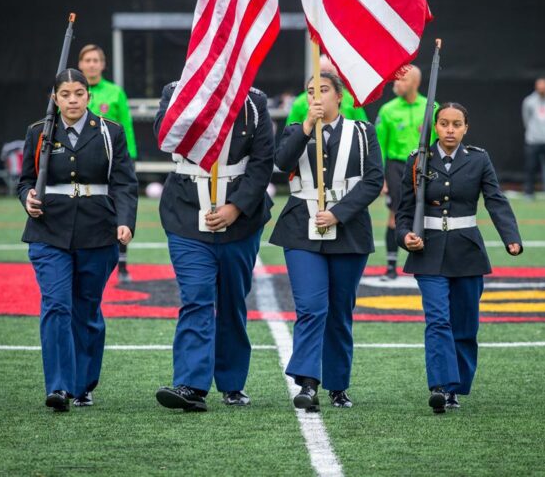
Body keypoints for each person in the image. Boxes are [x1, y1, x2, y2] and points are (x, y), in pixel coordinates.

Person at [18, 68, 138, 412]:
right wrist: (27, 196)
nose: (72, 100)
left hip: (97, 230)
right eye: (65, 94)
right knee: (56, 305)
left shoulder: (109, 132)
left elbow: (125, 183)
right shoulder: (39, 132)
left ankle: (83, 384)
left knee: (86, 310)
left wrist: (125, 221)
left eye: (79, 93)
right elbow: (24, 179)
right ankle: (58, 387)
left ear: (89, 96)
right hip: (48, 231)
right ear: (54, 98)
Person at [154, 82, 274, 413]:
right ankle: (190, 385)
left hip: (241, 219)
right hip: (186, 214)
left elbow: (262, 162)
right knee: (196, 298)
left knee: (232, 299)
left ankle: (232, 383)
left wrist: (235, 208)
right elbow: (164, 136)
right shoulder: (176, 93)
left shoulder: (256, 102)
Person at [395, 102, 522, 415]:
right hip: (428, 251)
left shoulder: (479, 159)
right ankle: (439, 386)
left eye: (456, 124)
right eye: (443, 124)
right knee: (438, 319)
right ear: (435, 126)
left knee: (465, 326)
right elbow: (404, 212)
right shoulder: (417, 159)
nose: (449, 130)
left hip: (467, 252)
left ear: (466, 128)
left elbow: (495, 199)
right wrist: (404, 237)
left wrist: (511, 237)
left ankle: (456, 389)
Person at [270, 72, 383, 411]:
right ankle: (306, 383)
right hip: (300, 229)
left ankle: (338, 385)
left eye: (322, 90)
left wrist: (339, 213)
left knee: (339, 311)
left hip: (348, 230)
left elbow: (373, 178)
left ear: (339, 96)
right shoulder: (294, 130)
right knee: (310, 307)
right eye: (309, 91)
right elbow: (281, 163)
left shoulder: (363, 132)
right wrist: (306, 127)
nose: (315, 96)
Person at [78, 44, 138, 282]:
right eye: (87, 60)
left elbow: (127, 127)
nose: (91, 64)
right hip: (80, 167)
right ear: (80, 64)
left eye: (96, 60)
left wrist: (130, 159)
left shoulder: (115, 92)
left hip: (112, 165)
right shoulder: (73, 92)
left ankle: (122, 265)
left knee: (118, 210)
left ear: (103, 65)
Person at [375, 65, 437, 280]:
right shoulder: (388, 110)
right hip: (396, 168)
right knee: (395, 215)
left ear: (415, 83)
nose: (396, 84)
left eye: (401, 80)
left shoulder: (431, 107)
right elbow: (379, 147)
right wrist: (381, 178)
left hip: (426, 168)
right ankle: (391, 267)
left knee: (429, 215)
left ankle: (426, 263)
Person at [285, 55, 368, 126]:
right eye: (322, 72)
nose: (326, 76)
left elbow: (364, 129)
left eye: (330, 72)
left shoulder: (351, 100)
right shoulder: (299, 102)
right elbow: (290, 136)